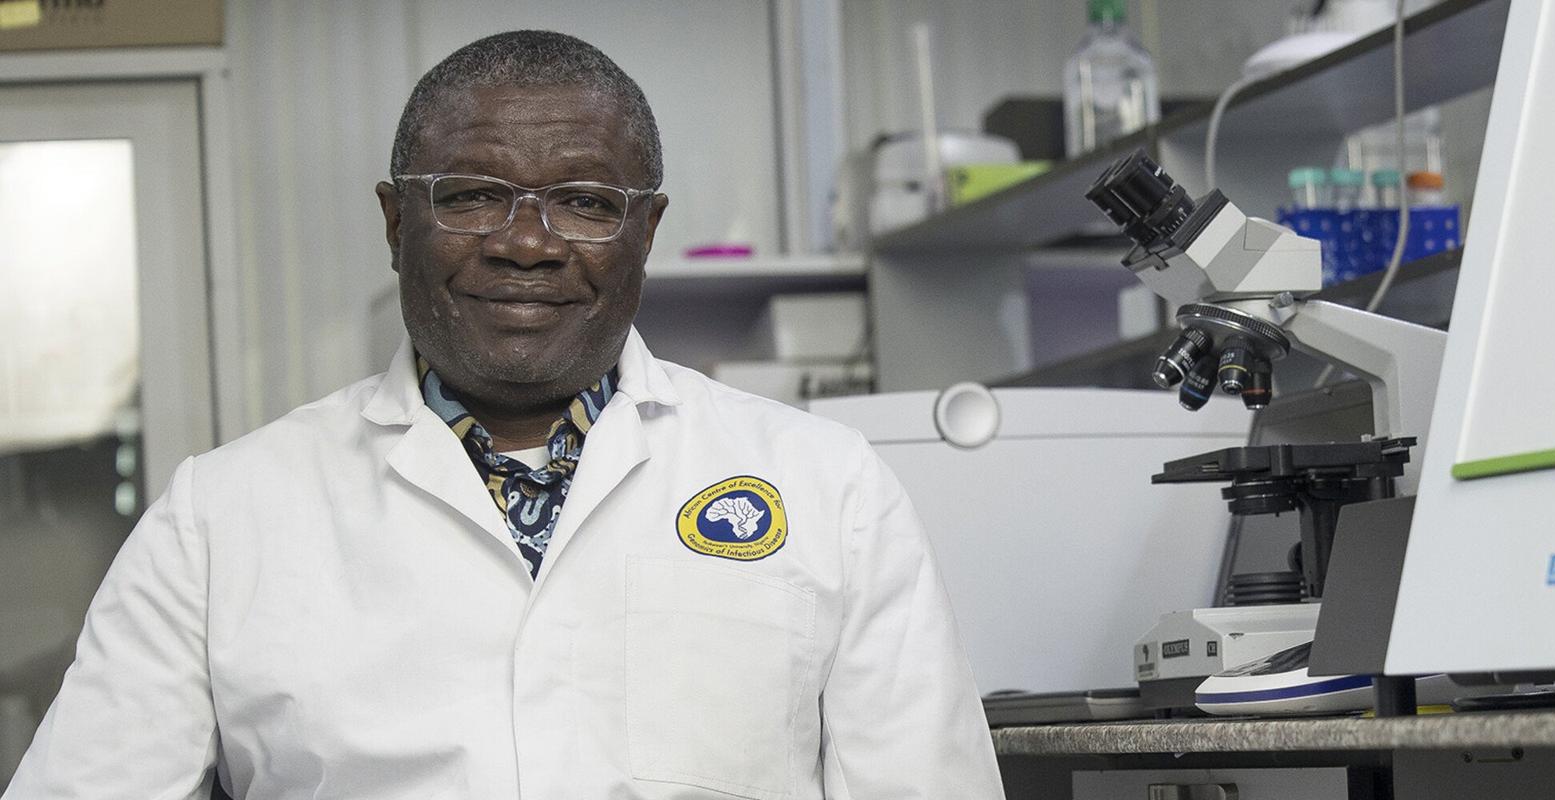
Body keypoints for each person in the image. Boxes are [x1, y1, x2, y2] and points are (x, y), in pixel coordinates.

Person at [4, 30, 1003, 799]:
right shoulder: (221, 518)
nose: (526, 244)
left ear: (645, 230)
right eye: (474, 195)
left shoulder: (825, 485)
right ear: (396, 219)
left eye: (583, 201)